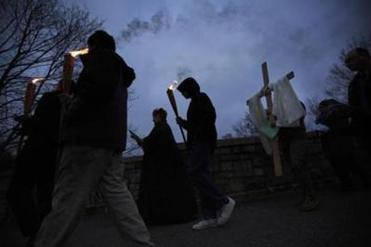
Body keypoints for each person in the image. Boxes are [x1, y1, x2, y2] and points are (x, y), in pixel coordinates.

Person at [33, 30, 154, 247]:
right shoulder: (119, 73)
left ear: (94, 45)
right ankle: (142, 244)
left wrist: (70, 105)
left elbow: (94, 94)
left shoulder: (102, 60)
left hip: (86, 140)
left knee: (67, 198)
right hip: (111, 143)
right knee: (118, 195)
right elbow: (100, 95)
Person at [175, 77, 235, 230]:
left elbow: (209, 119)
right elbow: (194, 125)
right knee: (202, 176)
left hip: (203, 143)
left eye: (183, 92)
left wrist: (198, 135)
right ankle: (210, 217)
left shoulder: (201, 98)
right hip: (198, 143)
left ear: (190, 89)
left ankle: (224, 201)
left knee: (194, 172)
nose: (182, 95)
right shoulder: (194, 102)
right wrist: (183, 123)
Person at [7, 84, 62, 245]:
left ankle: (37, 233)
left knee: (18, 192)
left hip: (37, 152)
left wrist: (30, 124)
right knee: (43, 197)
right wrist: (28, 126)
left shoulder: (51, 99)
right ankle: (40, 234)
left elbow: (44, 125)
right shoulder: (59, 102)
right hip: (48, 153)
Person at [130, 108, 197, 225]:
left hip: (163, 168)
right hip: (168, 167)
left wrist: (141, 141)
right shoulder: (163, 128)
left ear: (159, 116)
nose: (153, 119)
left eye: (154, 116)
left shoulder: (161, 128)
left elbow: (151, 144)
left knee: (166, 192)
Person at [316, 99, 369, 189]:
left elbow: (346, 122)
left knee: (350, 163)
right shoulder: (323, 116)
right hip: (332, 142)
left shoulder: (338, 111)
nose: (320, 109)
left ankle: (364, 180)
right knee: (338, 165)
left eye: (322, 107)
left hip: (341, 140)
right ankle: (347, 184)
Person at [345, 47, 371, 178]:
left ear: (363, 56)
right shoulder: (355, 83)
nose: (347, 64)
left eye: (350, 60)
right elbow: (354, 106)